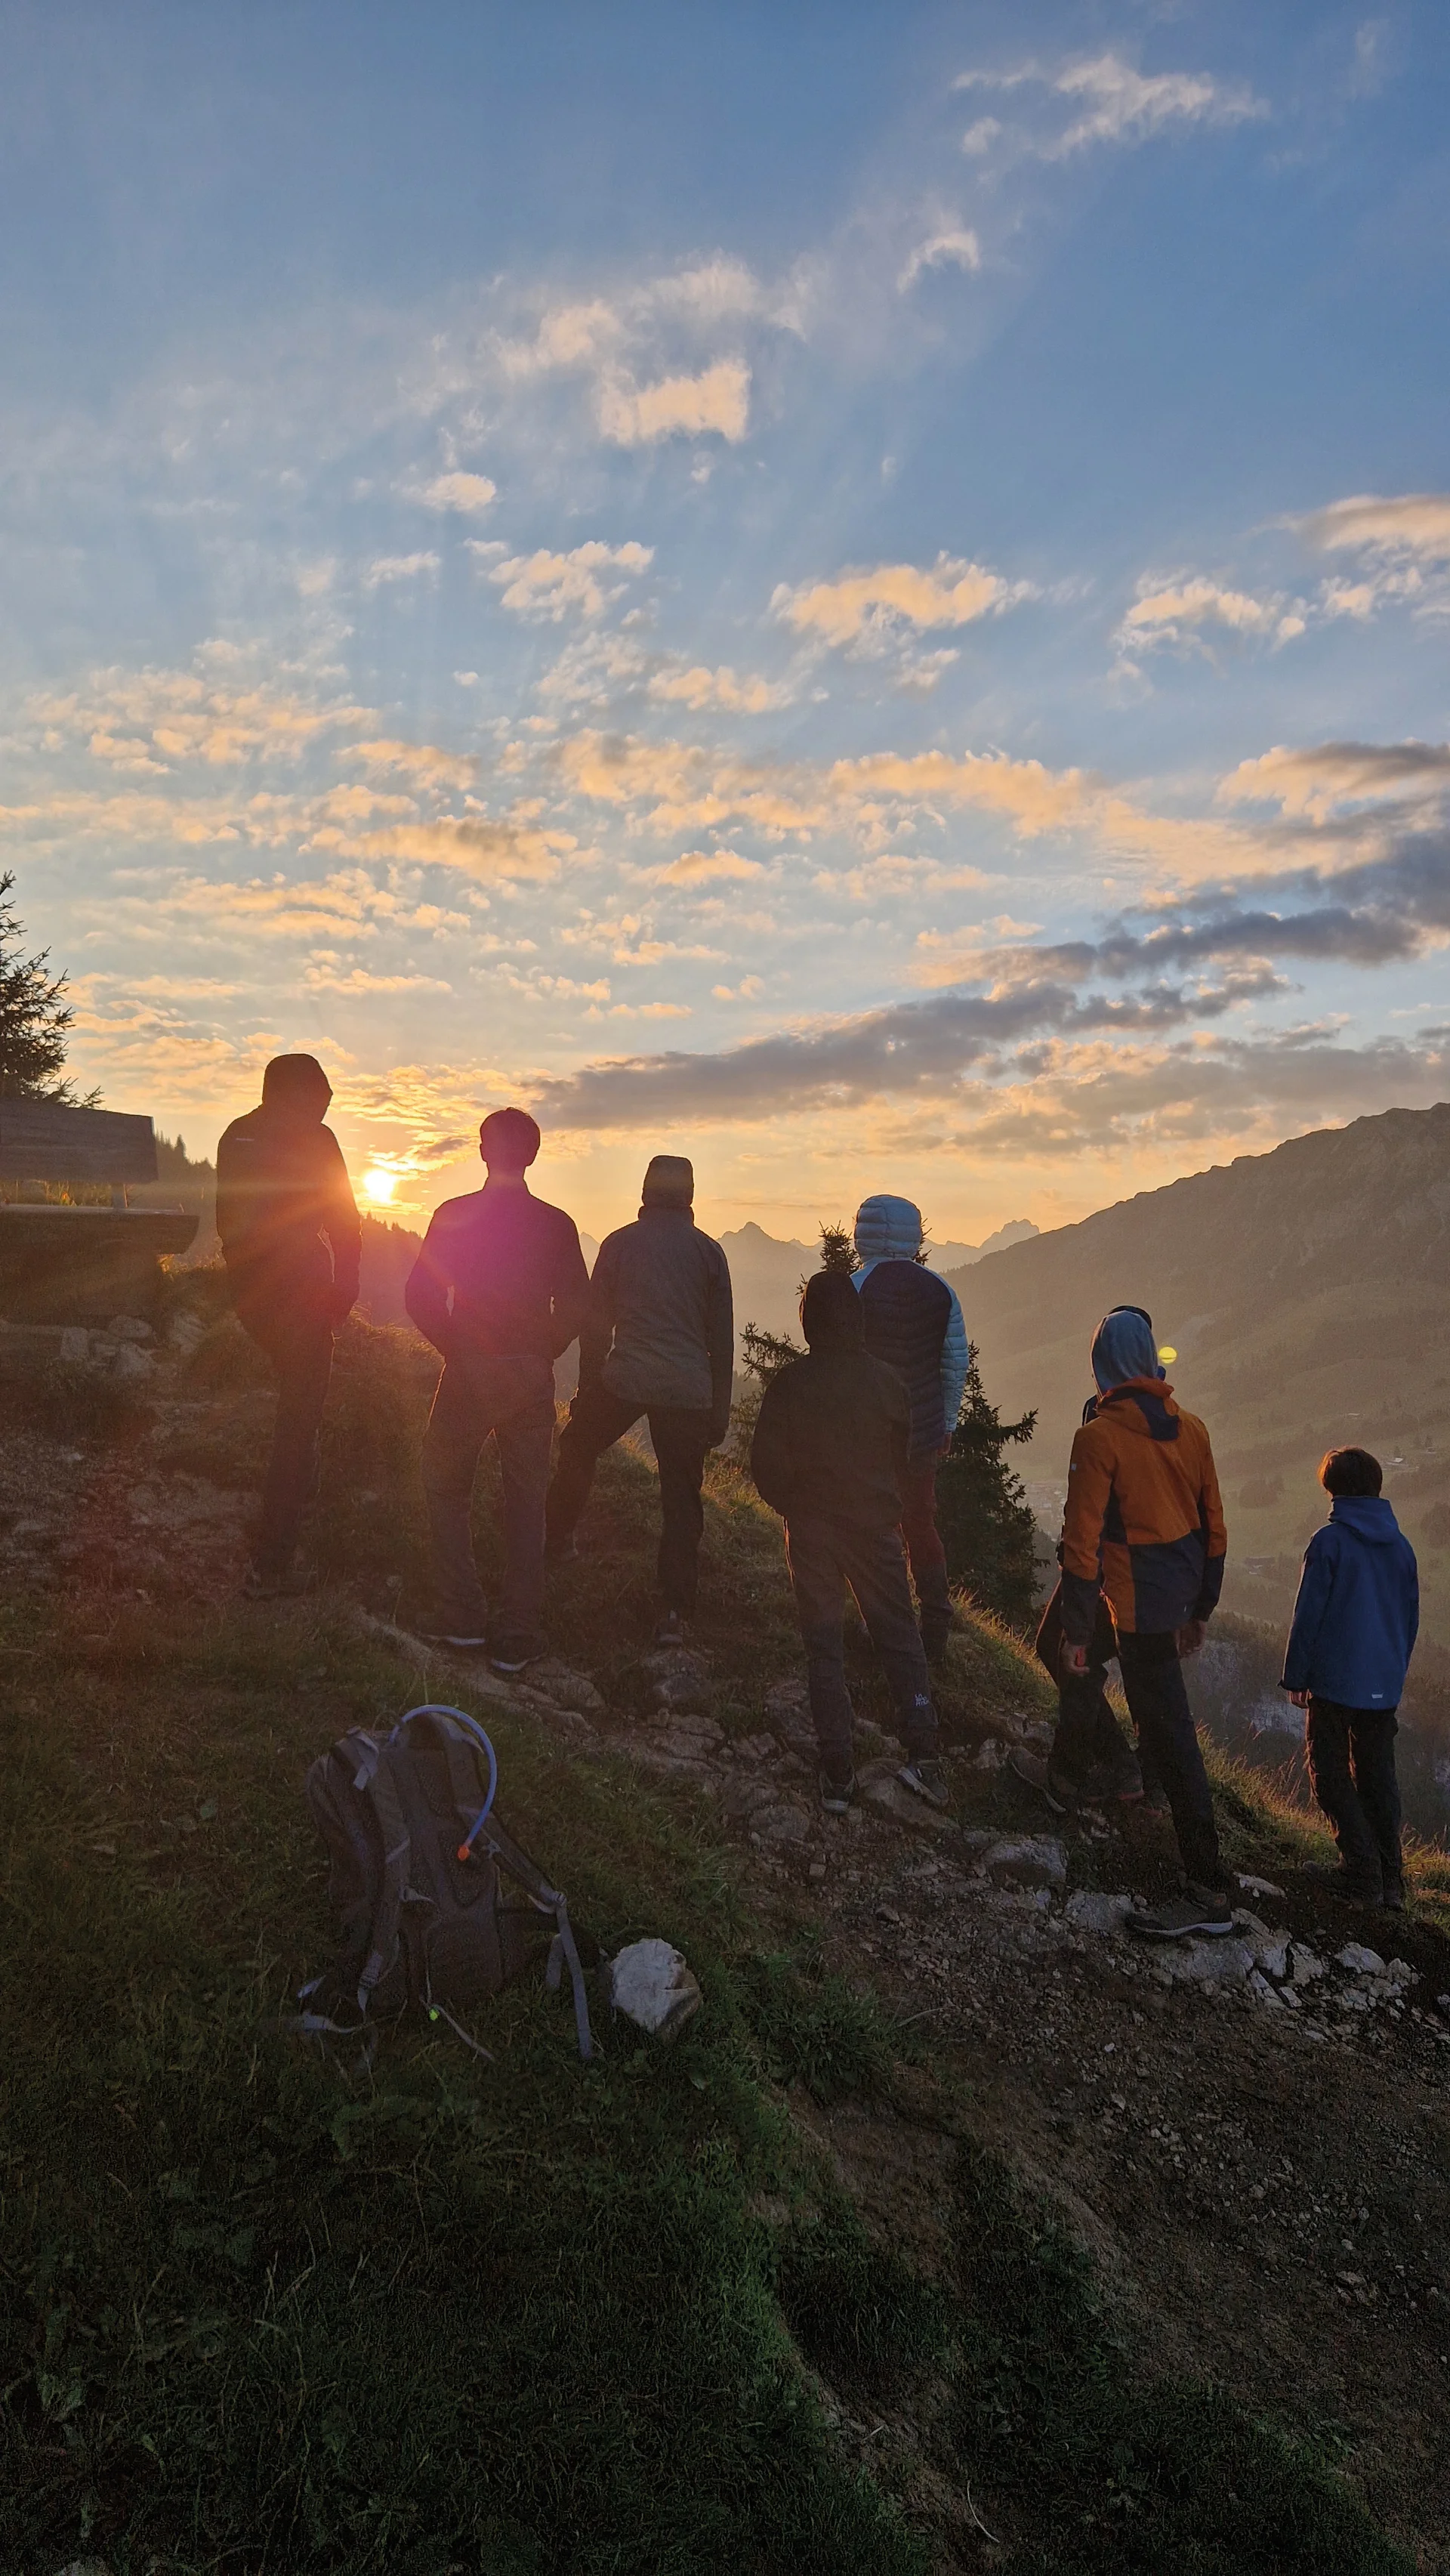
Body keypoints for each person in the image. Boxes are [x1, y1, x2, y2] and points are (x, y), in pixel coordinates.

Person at [1016, 1305, 1232, 1938]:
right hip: (1167, 1602)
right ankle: (1081, 1772)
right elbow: (1214, 1530)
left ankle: (1210, 1891)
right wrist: (1202, 1610)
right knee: (1057, 1648)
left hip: (1131, 1607)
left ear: (1102, 1365)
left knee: (1171, 1736)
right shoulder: (1191, 1429)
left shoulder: (1099, 1437)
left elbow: (1081, 1547)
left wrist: (1082, 1633)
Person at [751, 1270, 946, 1813]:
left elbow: (764, 1464)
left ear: (809, 1320)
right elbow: (906, 1462)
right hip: (875, 1529)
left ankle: (837, 1768)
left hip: (812, 1529)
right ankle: (924, 1751)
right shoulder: (888, 1383)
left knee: (824, 1646)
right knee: (899, 1637)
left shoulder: (791, 1385)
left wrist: (794, 1507)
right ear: (857, 1317)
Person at [405, 1107, 588, 1671]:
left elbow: (419, 1295)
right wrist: (544, 1351)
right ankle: (517, 1633)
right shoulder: (556, 1224)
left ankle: (461, 1617)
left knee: (445, 1485)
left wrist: (454, 1347)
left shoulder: (454, 1215)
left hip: (469, 1369)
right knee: (527, 1502)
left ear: (483, 1151)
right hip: (529, 1374)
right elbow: (580, 1304)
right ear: (532, 1155)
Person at [545, 1154, 732, 1645]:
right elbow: (723, 1340)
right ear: (690, 1195)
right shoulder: (710, 1253)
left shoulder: (620, 1244)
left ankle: (557, 1542)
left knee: (579, 1448)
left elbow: (594, 1325)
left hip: (625, 1377)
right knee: (681, 1496)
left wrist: (589, 1389)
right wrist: (719, 1412)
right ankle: (673, 1611)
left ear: (645, 1190)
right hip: (688, 1389)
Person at [216, 1052, 361, 1597]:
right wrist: (343, 1291)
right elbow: (344, 1220)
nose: (326, 1106)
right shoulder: (317, 1140)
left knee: (299, 1392)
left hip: (251, 1293)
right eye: (321, 1096)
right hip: (303, 1289)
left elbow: (227, 1221)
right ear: (302, 1093)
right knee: (299, 1414)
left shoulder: (236, 1134)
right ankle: (273, 1560)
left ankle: (305, 1477)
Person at [1281, 1446, 1418, 1913]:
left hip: (1336, 1680)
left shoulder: (1330, 1542)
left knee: (1329, 1773)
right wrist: (1394, 1673)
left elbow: (1309, 1614)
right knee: (1379, 1778)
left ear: (1331, 1488)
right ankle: (1391, 1882)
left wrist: (1297, 1675)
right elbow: (1409, 1619)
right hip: (1384, 1682)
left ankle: (1360, 1874)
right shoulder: (1402, 1547)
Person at [851, 1195, 968, 1663]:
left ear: (863, 1231)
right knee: (920, 1519)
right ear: (915, 1234)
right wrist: (948, 1422)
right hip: (922, 1430)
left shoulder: (854, 1288)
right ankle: (936, 1621)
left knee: (872, 1524)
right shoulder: (941, 1291)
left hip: (866, 1433)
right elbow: (953, 1364)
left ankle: (883, 1624)